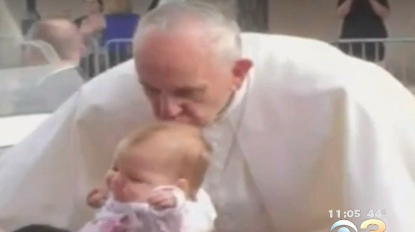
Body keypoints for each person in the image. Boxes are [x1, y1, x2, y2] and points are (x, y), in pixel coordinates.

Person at [0, 2, 414, 232]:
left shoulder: (339, 93)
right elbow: (23, 188)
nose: (165, 111)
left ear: (239, 73)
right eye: (150, 90)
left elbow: (380, 214)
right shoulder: (110, 96)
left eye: (186, 94)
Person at [79, 122, 216, 232]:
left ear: (178, 187)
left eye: (135, 179)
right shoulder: (127, 195)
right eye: (115, 169)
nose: (116, 179)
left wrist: (174, 200)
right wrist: (103, 199)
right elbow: (114, 207)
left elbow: (184, 214)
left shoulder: (169, 212)